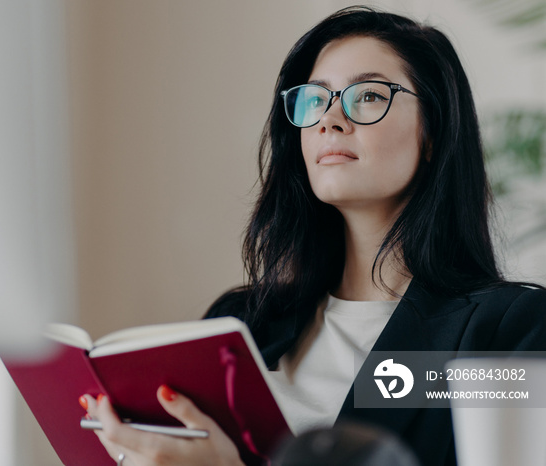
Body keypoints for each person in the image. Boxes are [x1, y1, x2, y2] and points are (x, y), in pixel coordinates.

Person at [82, 6, 546, 466]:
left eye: (366, 95)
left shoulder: (508, 333)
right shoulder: (239, 324)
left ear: (433, 131)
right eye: (315, 99)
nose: (329, 119)